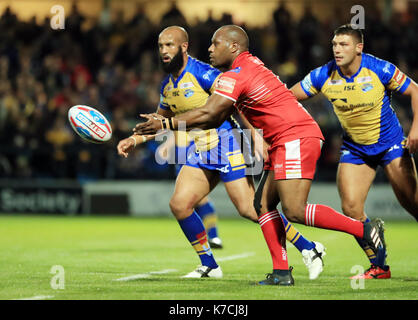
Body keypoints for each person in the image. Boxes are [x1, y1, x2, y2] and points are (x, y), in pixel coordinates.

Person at [134, 25, 386, 286]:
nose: (210, 49)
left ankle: (364, 229)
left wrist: (165, 125)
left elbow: (210, 113)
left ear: (233, 47)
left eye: (215, 43)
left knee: (294, 209)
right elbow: (217, 115)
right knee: (261, 206)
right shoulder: (248, 66)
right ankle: (281, 273)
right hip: (281, 138)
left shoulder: (237, 74)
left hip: (294, 135)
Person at [118, 26, 326, 279]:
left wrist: (257, 138)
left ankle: (309, 247)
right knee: (180, 205)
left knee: (250, 209)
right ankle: (210, 265)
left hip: (227, 143)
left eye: (169, 45)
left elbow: (238, 102)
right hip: (200, 149)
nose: (164, 51)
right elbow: (160, 120)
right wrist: (134, 138)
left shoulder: (204, 73)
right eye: (160, 46)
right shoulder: (167, 86)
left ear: (183, 47)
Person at [290, 24, 418, 279]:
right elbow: (287, 98)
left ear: (359, 48)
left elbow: (415, 89)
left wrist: (415, 129)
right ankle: (379, 267)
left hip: (390, 144)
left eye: (344, 44)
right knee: (351, 209)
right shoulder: (322, 75)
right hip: (355, 149)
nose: (337, 50)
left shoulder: (378, 69)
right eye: (335, 45)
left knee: (413, 203)